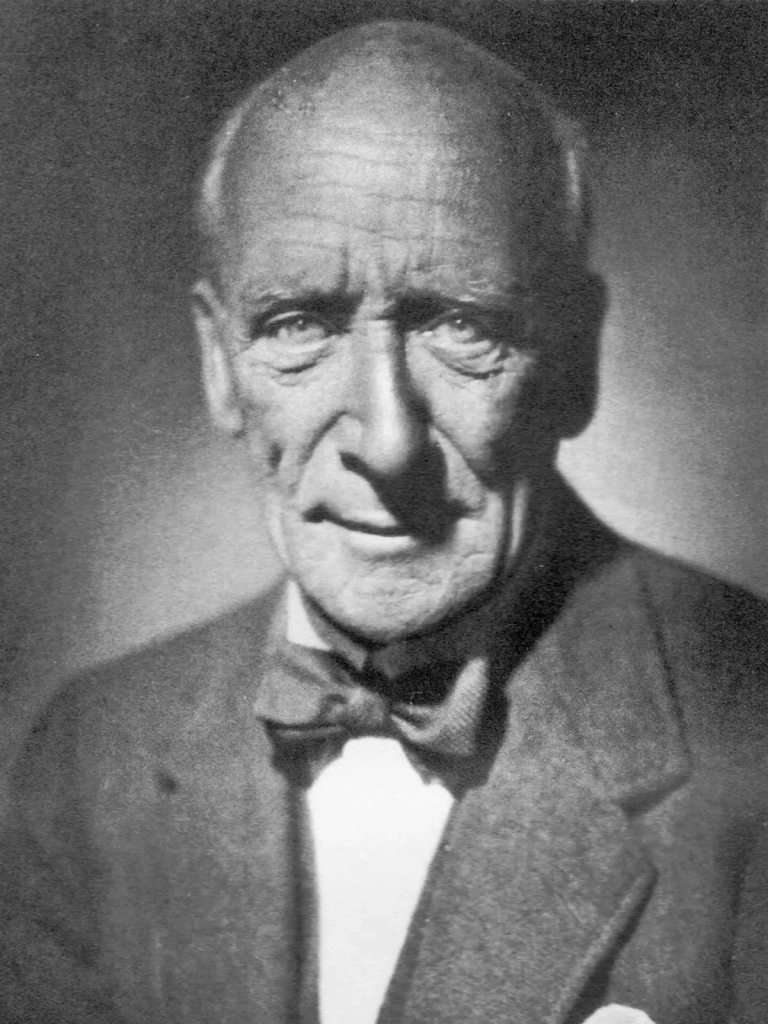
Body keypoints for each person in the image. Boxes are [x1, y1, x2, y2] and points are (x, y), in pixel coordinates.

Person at [1, 19, 767, 1024]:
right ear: (220, 363)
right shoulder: (89, 757)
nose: (388, 441)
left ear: (577, 358)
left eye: (461, 324)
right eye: (299, 325)